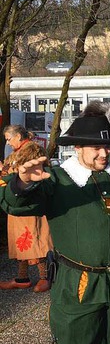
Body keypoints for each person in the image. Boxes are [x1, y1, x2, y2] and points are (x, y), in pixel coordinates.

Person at [0, 103, 110, 344]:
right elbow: (14, 205)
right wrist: (22, 184)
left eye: (108, 146)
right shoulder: (58, 179)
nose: (104, 153)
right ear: (78, 146)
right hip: (77, 285)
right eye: (96, 147)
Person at [0, 125, 53, 292]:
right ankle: (22, 278)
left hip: (31, 203)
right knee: (20, 243)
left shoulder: (34, 150)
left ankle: (45, 277)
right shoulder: (16, 154)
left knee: (37, 240)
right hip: (16, 204)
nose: (7, 143)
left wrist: (6, 174)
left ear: (19, 136)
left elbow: (29, 176)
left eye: (9, 139)